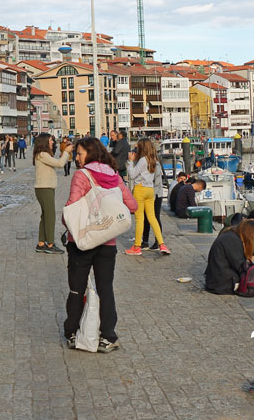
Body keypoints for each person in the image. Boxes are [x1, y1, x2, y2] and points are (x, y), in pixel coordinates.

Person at [62, 137, 139, 353]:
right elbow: (131, 205)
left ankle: (72, 330)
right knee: (106, 288)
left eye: (79, 153)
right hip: (107, 242)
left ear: (91, 153)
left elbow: (71, 207)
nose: (76, 158)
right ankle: (108, 335)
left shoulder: (82, 175)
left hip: (82, 241)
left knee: (77, 288)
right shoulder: (113, 175)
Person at [124, 140, 170, 256]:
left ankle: (137, 247)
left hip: (140, 189)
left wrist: (130, 162)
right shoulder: (154, 159)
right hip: (150, 190)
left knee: (140, 219)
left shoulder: (143, 160)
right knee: (152, 217)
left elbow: (133, 175)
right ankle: (162, 244)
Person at [33, 133, 71, 253]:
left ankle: (41, 243)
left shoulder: (43, 154)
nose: (52, 142)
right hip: (44, 188)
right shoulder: (42, 155)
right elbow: (60, 164)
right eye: (50, 140)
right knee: (50, 216)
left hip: (45, 188)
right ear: (44, 142)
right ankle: (50, 244)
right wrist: (66, 151)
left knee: (45, 216)